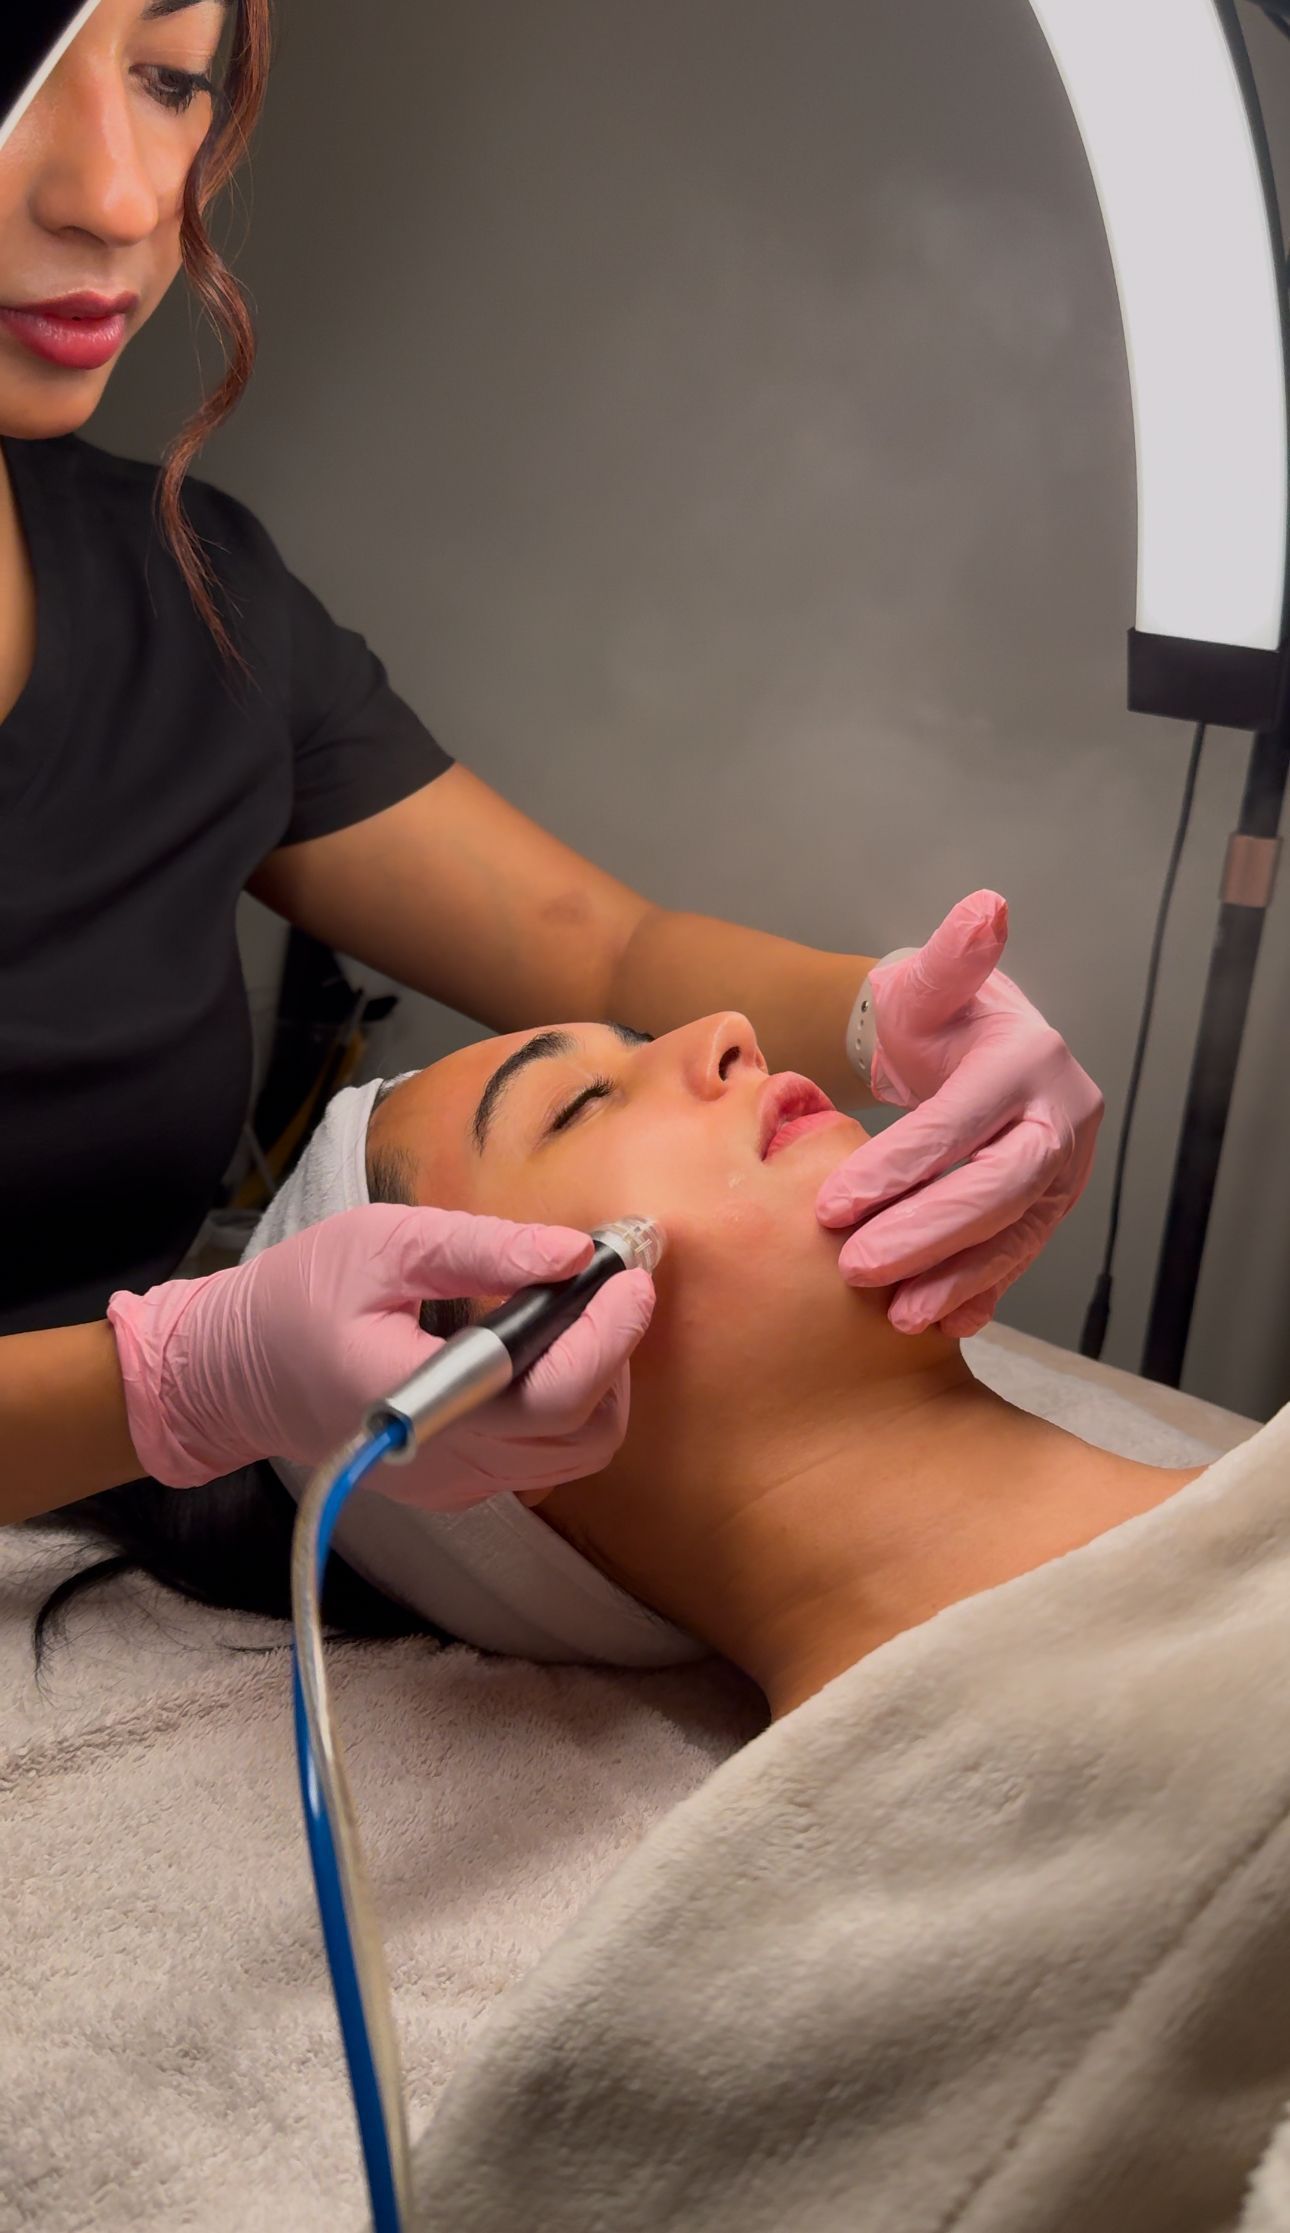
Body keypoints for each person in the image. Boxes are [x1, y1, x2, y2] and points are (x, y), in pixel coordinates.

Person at [2, 0, 1102, 1551]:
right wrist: (183, 1379)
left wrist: (884, 1015)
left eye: (174, 78)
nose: (119, 196)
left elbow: (600, 952)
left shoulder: (189, 597)